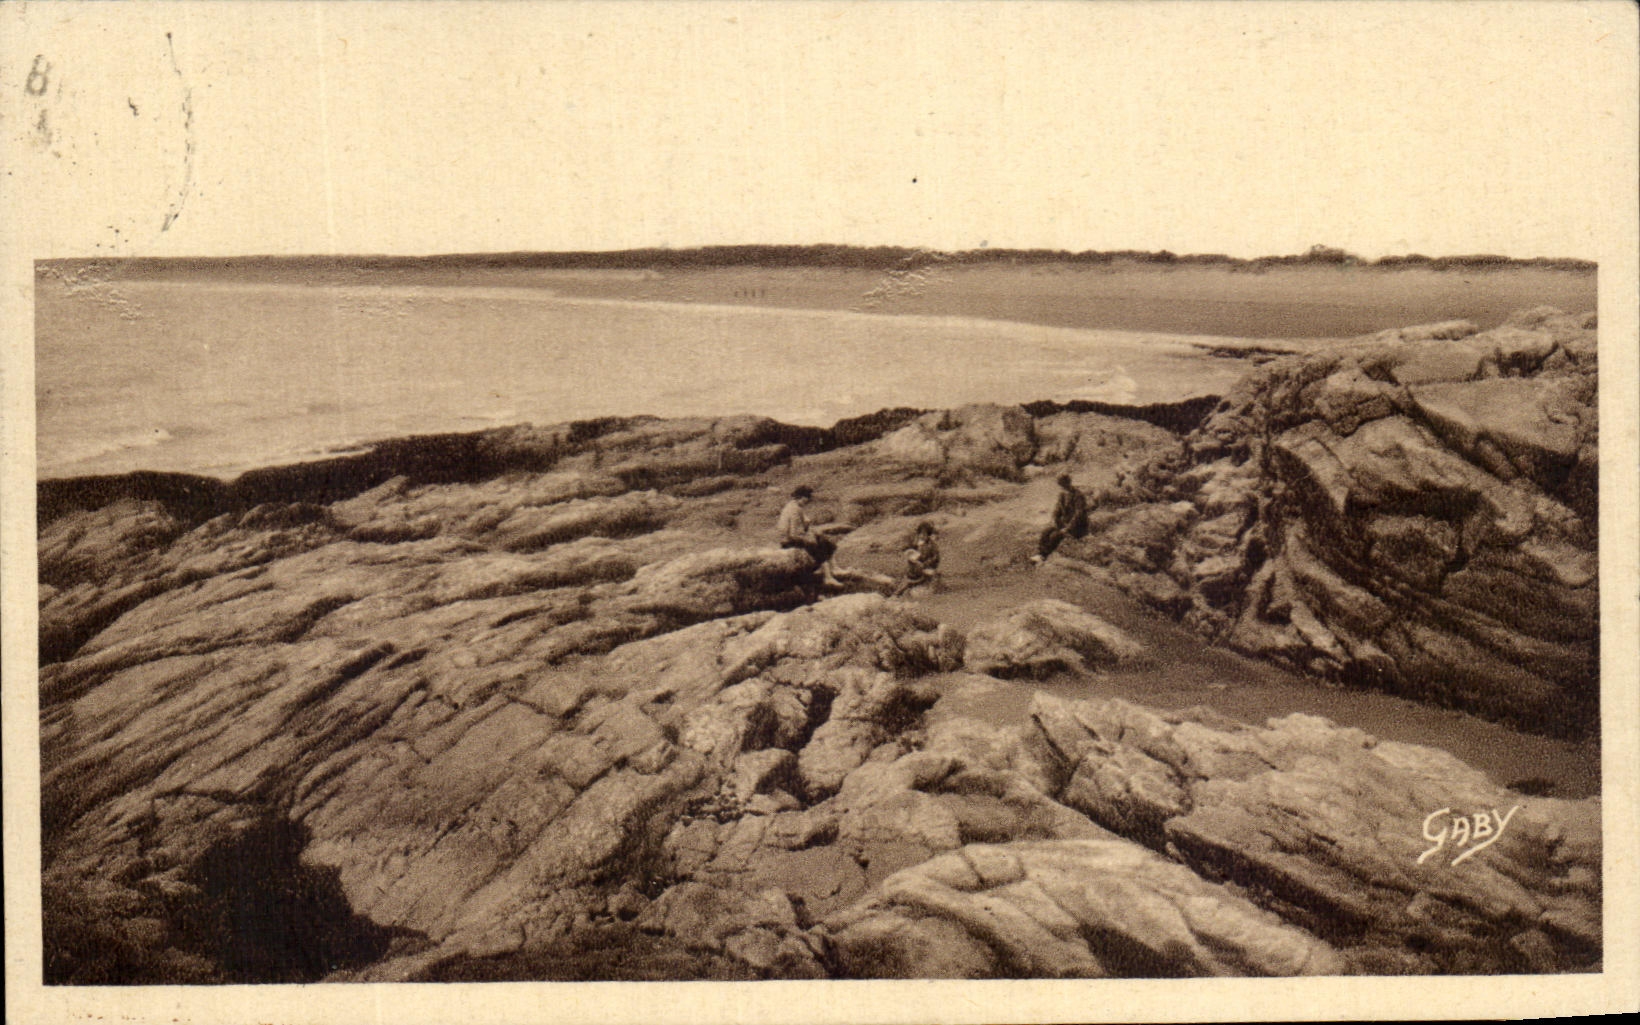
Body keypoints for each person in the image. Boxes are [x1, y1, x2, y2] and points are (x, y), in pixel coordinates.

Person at [778, 485, 844, 587]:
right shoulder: (794, 509)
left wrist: (810, 532)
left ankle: (834, 568)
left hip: (790, 537)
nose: (807, 501)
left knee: (822, 539)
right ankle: (828, 577)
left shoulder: (794, 505)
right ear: (799, 497)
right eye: (805, 499)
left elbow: (804, 525)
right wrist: (808, 538)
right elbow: (793, 533)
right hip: (788, 540)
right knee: (817, 545)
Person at [1033, 473, 1089, 564]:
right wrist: (1055, 520)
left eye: (1063, 484)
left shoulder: (1078, 496)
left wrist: (1067, 528)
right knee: (1046, 531)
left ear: (1068, 482)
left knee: (1055, 535)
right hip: (1064, 523)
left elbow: (1079, 515)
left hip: (1077, 527)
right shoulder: (1062, 495)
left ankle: (1044, 556)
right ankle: (1040, 553)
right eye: (1060, 484)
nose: (1062, 486)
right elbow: (1057, 510)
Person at [891, 521, 942, 596]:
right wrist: (907, 551)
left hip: (926, 567)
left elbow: (936, 558)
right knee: (908, 572)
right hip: (916, 565)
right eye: (920, 534)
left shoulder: (932, 545)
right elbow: (908, 548)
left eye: (924, 534)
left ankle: (898, 593)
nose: (922, 536)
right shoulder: (916, 543)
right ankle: (897, 591)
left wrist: (925, 564)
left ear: (928, 535)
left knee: (911, 579)